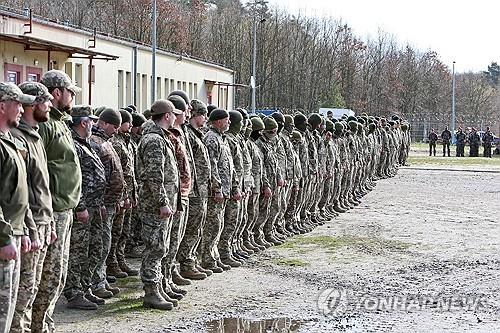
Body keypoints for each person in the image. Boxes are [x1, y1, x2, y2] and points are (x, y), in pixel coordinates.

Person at [32, 70, 82, 333]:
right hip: (53, 209)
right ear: (56, 93)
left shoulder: (61, 121)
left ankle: (46, 322)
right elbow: (38, 170)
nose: (73, 96)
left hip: (66, 207)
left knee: (58, 273)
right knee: (48, 274)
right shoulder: (46, 124)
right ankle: (39, 325)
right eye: (70, 91)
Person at [10, 82, 54, 332]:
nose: (48, 105)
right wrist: (31, 229)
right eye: (45, 101)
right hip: (29, 224)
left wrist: (48, 223)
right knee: (22, 293)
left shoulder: (35, 136)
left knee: (35, 286)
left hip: (42, 221)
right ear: (31, 105)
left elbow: (40, 184)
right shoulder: (18, 139)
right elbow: (21, 188)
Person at [136, 99, 181, 310]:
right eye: (174, 114)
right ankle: (151, 291)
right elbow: (155, 176)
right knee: (155, 247)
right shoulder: (154, 140)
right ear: (166, 116)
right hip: (154, 205)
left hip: (160, 203)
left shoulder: (160, 138)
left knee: (161, 246)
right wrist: (163, 202)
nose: (175, 118)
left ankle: (159, 287)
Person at [0, 82, 35, 333]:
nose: (22, 110)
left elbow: (18, 191)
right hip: (3, 238)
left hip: (13, 232)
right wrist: (3, 237)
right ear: (3, 106)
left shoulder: (9, 141)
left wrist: (25, 229)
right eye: (18, 104)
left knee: (9, 308)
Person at [64, 106, 106, 310]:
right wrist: (80, 206)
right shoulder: (74, 145)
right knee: (78, 251)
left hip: (94, 206)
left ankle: (85, 286)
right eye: (91, 121)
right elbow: (74, 179)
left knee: (94, 248)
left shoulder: (86, 143)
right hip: (83, 208)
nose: (94, 124)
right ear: (83, 122)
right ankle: (74, 292)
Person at [89, 108, 123, 299]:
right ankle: (96, 283)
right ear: (104, 123)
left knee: (105, 243)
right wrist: (102, 201)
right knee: (100, 245)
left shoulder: (105, 142)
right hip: (101, 203)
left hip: (109, 203)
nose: (116, 131)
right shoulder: (96, 143)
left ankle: (100, 280)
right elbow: (96, 177)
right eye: (114, 126)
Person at [200, 109, 233, 272]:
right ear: (219, 121)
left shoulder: (221, 137)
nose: (229, 123)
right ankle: (207, 259)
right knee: (212, 226)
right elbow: (211, 166)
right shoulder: (212, 138)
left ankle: (214, 256)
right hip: (216, 192)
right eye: (227, 120)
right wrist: (217, 188)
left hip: (223, 190)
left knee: (218, 225)